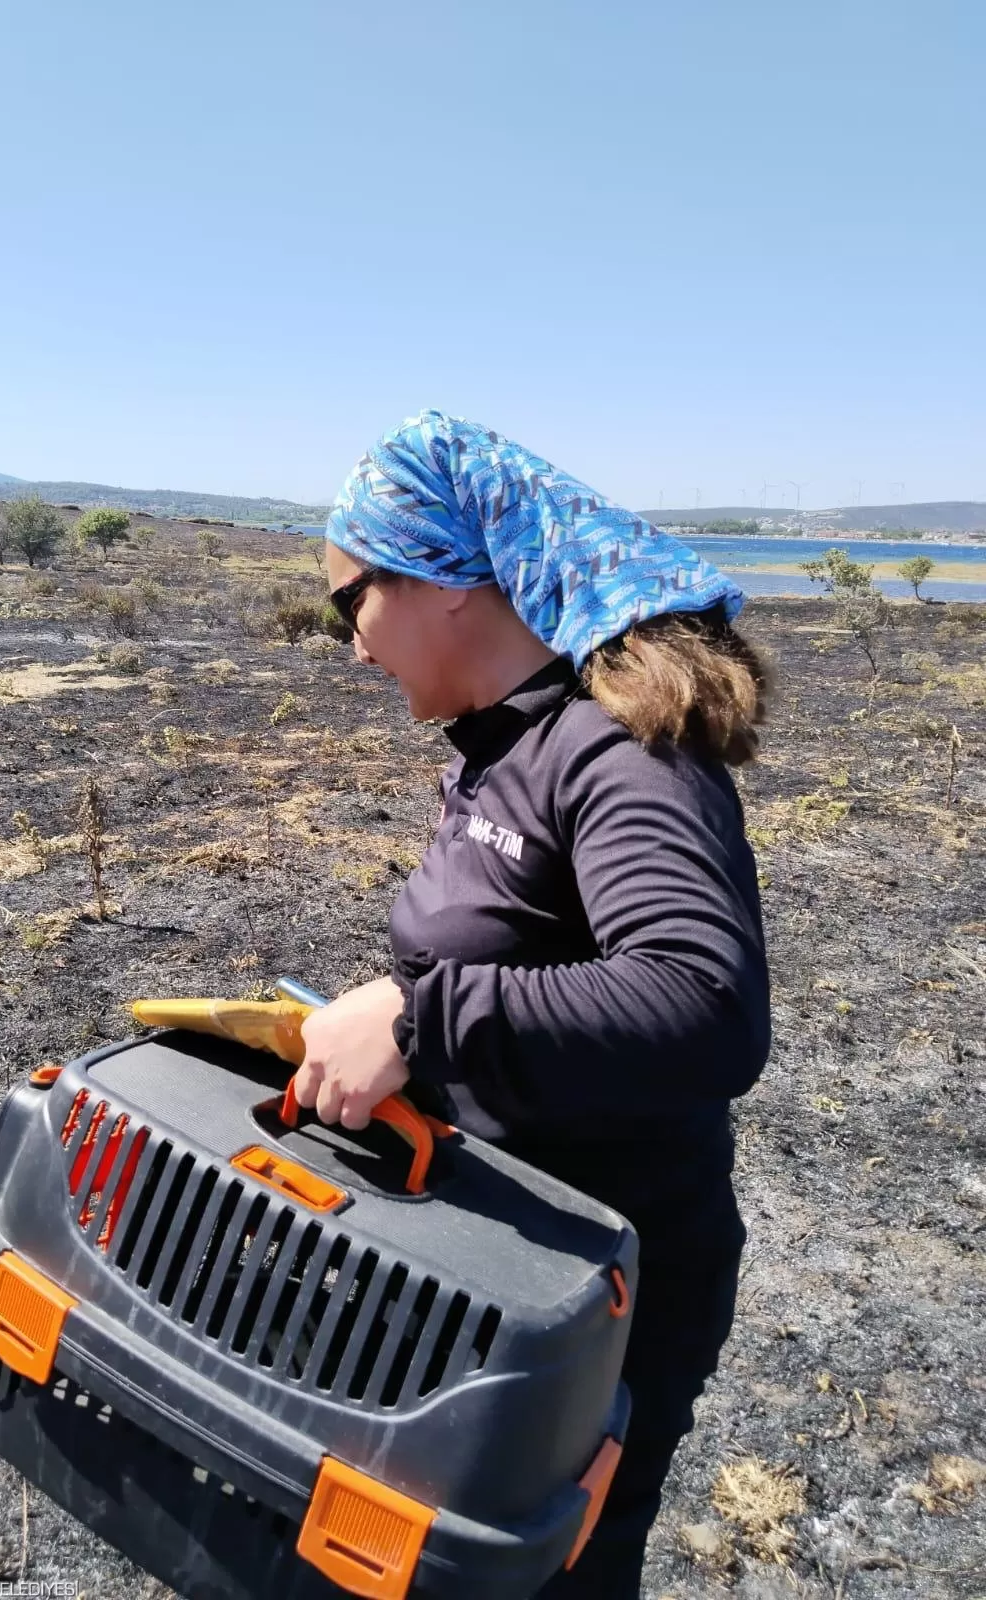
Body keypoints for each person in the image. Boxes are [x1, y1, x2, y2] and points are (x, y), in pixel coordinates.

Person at [293, 410, 772, 1598]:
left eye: (347, 599)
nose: (349, 644)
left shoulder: (622, 753)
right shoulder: (503, 744)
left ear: (448, 580)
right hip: (494, 1269)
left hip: (596, 1308)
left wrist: (418, 1022)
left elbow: (704, 1000)